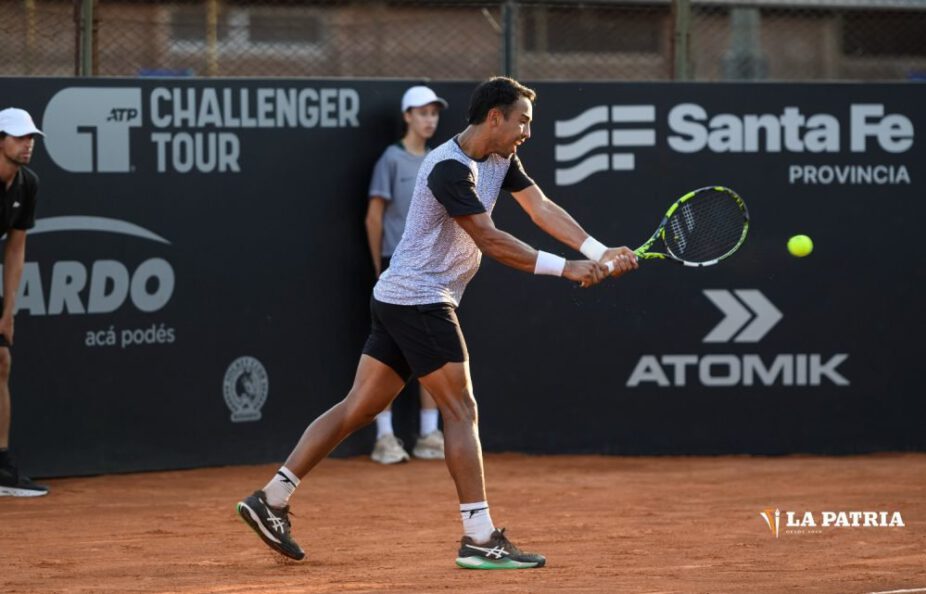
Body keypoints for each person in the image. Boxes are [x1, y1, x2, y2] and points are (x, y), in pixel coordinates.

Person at [236, 77, 637, 568]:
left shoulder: (499, 158)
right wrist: (566, 268)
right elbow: (490, 240)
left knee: (359, 407)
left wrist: (597, 251)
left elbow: (540, 207)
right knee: (461, 411)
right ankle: (479, 536)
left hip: (399, 298)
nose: (527, 132)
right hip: (421, 301)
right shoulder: (449, 168)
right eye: (523, 122)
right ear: (495, 117)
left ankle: (271, 498)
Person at [364, 85, 448, 465]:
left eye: (433, 112)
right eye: (422, 112)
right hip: (395, 272)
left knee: (431, 354)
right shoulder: (391, 159)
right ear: (407, 117)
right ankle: (385, 437)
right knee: (386, 358)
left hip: (431, 274)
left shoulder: (438, 161)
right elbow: (374, 215)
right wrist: (379, 268)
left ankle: (429, 435)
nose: (429, 119)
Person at [0, 108, 47, 497]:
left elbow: (15, 250)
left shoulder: (26, 184)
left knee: (2, 360)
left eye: (30, 137)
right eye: (18, 137)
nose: (27, 143)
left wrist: (8, 311)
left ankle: (1, 466)